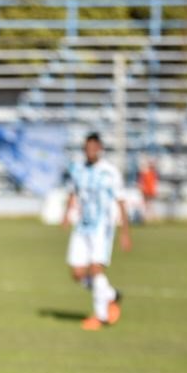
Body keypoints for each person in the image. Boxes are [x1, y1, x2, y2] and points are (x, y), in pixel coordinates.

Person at [62, 133, 132, 331]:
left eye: (94, 147)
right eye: (87, 147)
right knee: (77, 273)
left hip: (102, 227)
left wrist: (125, 232)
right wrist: (67, 214)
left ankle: (101, 316)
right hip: (82, 226)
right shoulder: (78, 169)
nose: (90, 151)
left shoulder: (110, 172)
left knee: (95, 270)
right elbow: (73, 192)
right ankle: (111, 295)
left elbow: (121, 201)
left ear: (100, 148)